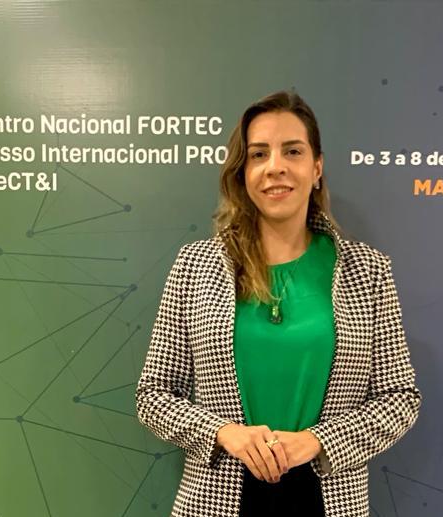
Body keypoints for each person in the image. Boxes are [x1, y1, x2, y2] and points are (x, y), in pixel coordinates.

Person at [135, 90, 422, 517]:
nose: (275, 167)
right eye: (258, 154)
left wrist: (319, 441)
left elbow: (399, 398)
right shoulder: (195, 265)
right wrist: (223, 432)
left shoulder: (367, 270)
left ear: (316, 167)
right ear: (243, 171)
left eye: (292, 151)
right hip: (216, 496)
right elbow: (153, 395)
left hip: (329, 497)